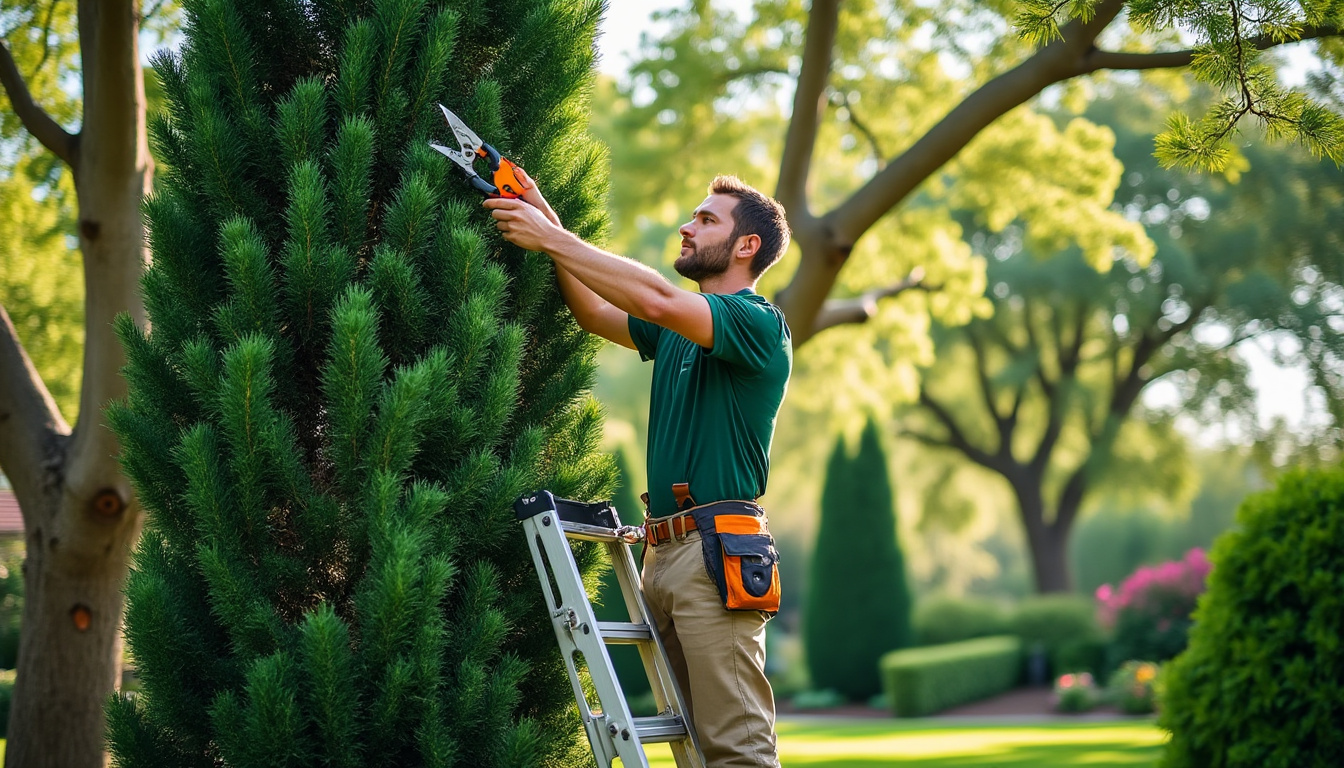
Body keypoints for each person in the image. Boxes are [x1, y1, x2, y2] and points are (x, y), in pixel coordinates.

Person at [486, 170, 791, 768]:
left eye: (706, 219)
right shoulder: (678, 330)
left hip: (715, 554)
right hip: (664, 552)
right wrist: (549, 220)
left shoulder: (756, 322)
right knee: (695, 751)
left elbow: (654, 298)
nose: (686, 226)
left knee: (738, 752)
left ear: (747, 245)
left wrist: (549, 238)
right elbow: (596, 312)